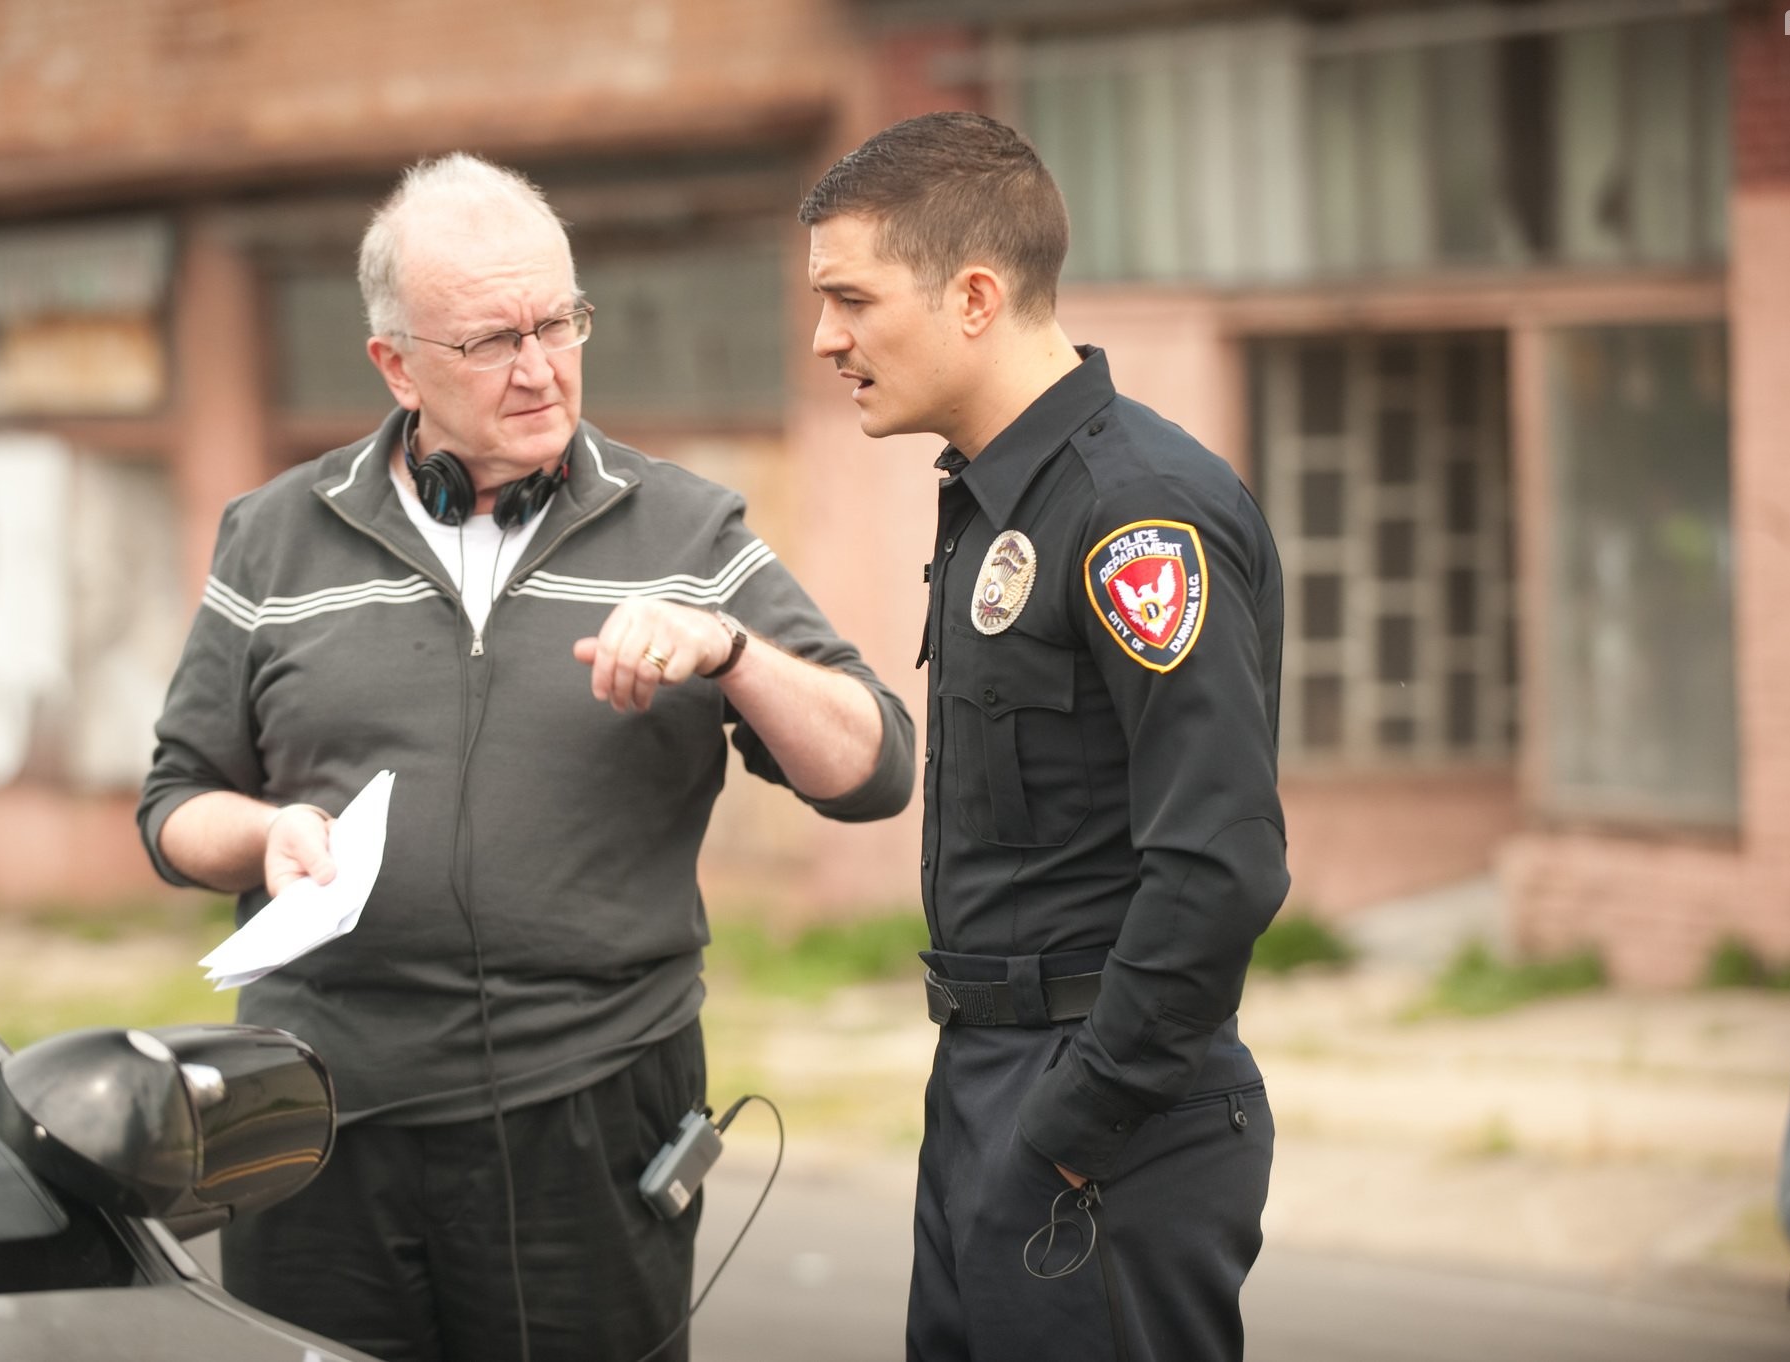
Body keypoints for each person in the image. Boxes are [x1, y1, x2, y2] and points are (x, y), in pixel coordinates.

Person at [139, 153, 914, 1362]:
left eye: (559, 321)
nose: (541, 366)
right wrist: (263, 834)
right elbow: (174, 805)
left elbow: (873, 768)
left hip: (590, 1118)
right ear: (394, 363)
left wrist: (727, 649)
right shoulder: (273, 536)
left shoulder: (685, 528)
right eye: (493, 338)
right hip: (315, 1120)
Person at [800, 111, 1287, 1361]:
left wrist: (1074, 1124)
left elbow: (1218, 861)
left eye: (851, 300)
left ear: (972, 296)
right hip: (987, 1078)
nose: (824, 340)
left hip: (1101, 1109)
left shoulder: (1135, 511)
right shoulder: (993, 501)